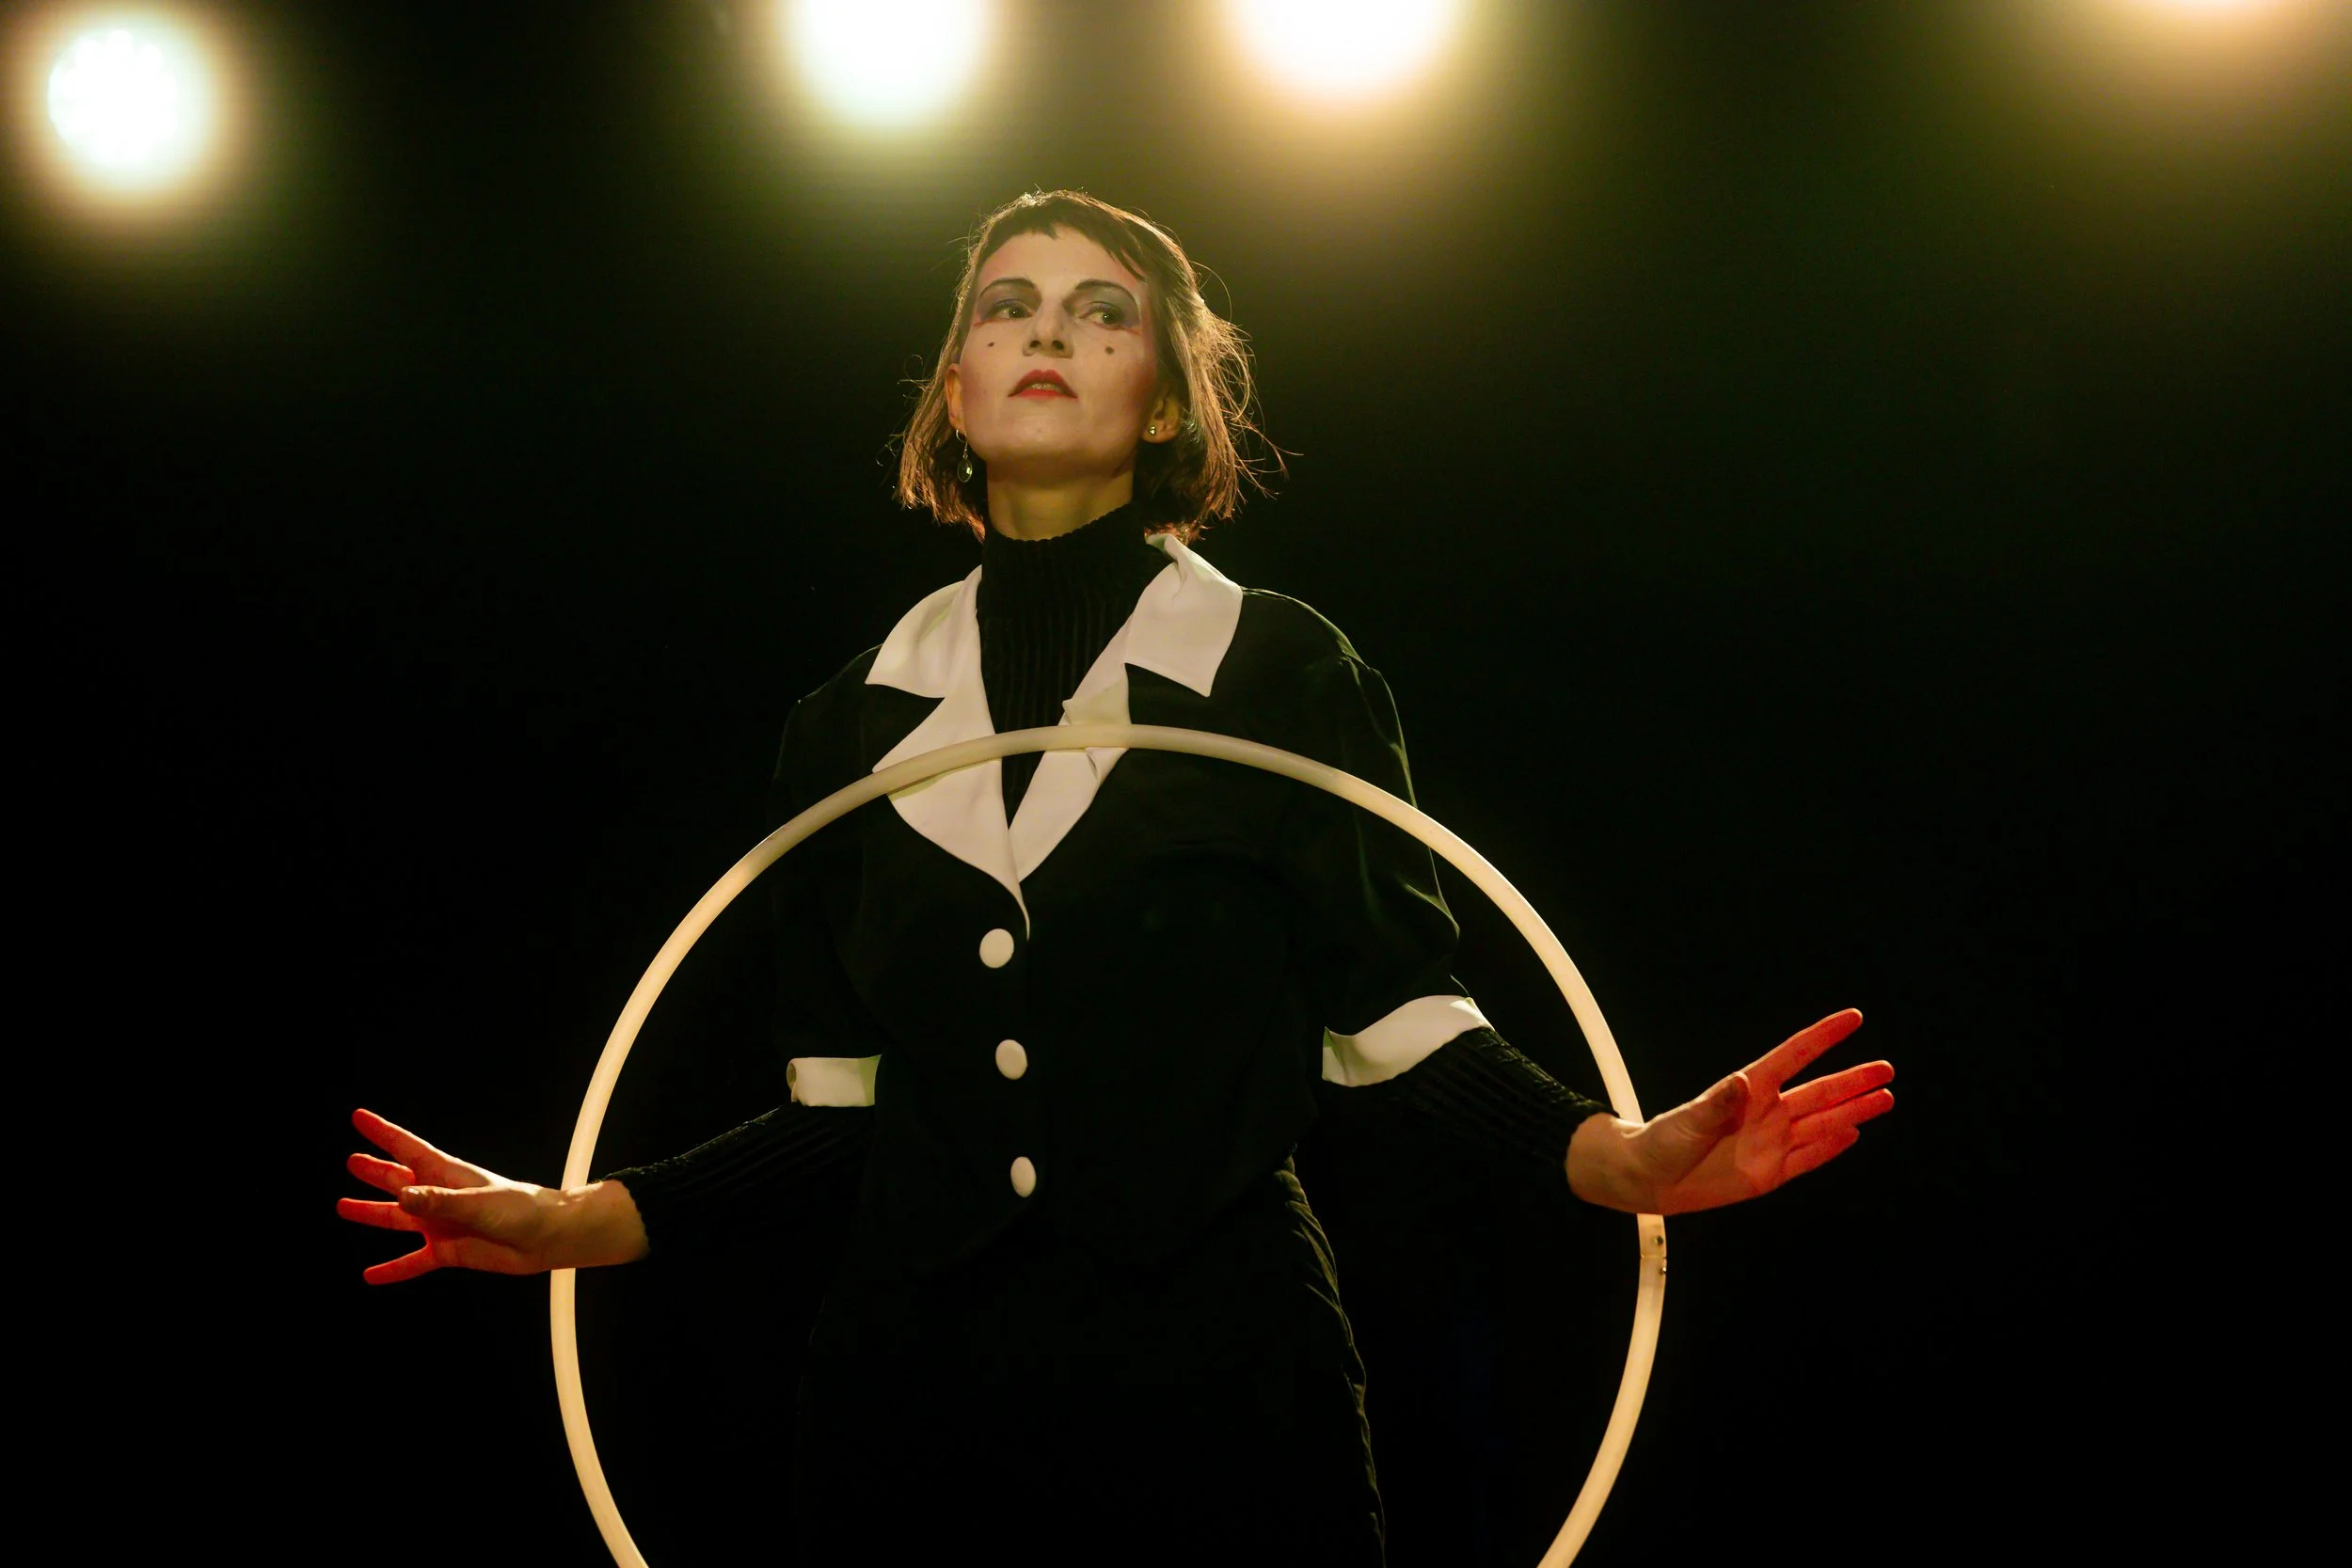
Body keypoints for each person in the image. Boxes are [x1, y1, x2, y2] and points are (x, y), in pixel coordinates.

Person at [338, 191, 1895, 1567]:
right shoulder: (843, 728)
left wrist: (1611, 1157)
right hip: (910, 1399)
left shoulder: (1281, 669)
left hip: (1222, 1382)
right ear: (952, 390)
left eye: (1101, 313)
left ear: (1164, 403)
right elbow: (843, 1118)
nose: (1047, 333)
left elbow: (1403, 1020)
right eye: (1004, 307)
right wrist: (579, 1221)